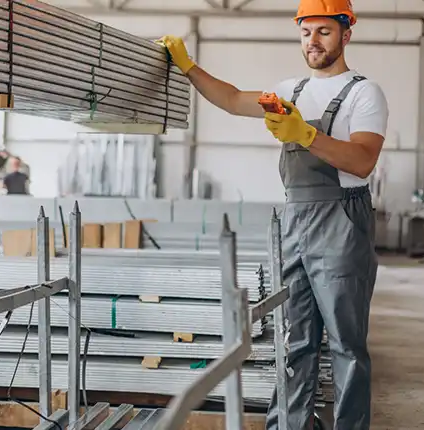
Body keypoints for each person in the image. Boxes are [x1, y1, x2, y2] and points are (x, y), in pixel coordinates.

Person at [159, 0, 388, 428]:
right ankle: (289, 424)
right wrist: (188, 66)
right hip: (295, 220)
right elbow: (229, 99)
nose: (312, 41)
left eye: (323, 31)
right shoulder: (289, 91)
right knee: (295, 337)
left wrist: (305, 133)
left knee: (345, 343)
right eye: (306, 32)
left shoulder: (364, 91)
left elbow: (361, 161)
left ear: (345, 34)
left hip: (342, 221)